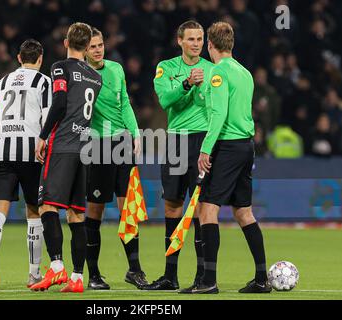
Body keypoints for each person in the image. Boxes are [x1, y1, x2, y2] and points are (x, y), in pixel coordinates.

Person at [196, 22, 271, 294]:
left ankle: (208, 281)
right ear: (231, 44)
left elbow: (219, 114)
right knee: (243, 212)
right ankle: (262, 278)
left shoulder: (218, 73)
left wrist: (206, 149)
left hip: (227, 146)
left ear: (210, 45)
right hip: (246, 146)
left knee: (207, 209)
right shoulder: (245, 73)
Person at [30, 22, 102, 293]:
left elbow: (60, 102)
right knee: (76, 215)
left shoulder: (60, 67)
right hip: (84, 149)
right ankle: (77, 278)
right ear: (87, 46)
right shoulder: (96, 77)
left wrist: (43, 135)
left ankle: (57, 267)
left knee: (47, 207)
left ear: (66, 42)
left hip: (62, 146)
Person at [143, 20, 214, 292]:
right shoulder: (167, 68)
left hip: (201, 140)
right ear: (180, 41)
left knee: (198, 207)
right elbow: (165, 100)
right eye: (191, 39)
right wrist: (186, 82)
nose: (196, 43)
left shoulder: (212, 70)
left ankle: (201, 276)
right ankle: (170, 276)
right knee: (172, 205)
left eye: (200, 39)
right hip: (175, 140)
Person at [0, 39, 51, 289]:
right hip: (32, 154)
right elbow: (47, 118)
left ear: (19, 58)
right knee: (34, 213)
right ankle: (34, 274)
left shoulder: (1, 83)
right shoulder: (44, 82)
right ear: (40, 59)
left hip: (3, 153)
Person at [84, 27, 148, 290]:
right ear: (84, 50)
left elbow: (125, 105)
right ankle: (94, 274)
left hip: (121, 143)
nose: (98, 50)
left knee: (128, 209)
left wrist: (135, 133)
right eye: (93, 46)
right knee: (95, 210)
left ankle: (134, 269)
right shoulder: (81, 74)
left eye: (100, 45)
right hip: (97, 146)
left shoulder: (116, 69)